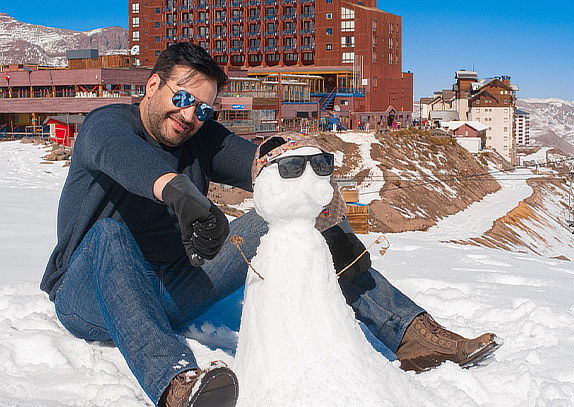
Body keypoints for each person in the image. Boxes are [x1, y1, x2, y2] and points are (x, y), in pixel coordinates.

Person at [41, 43, 498, 407]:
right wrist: (178, 193)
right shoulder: (107, 125)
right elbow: (125, 158)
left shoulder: (200, 136)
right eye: (182, 100)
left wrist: (305, 173)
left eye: (202, 109)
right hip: (90, 295)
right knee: (109, 234)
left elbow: (262, 163)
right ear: (153, 85)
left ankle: (410, 333)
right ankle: (175, 382)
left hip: (173, 288)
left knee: (294, 208)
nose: (188, 116)